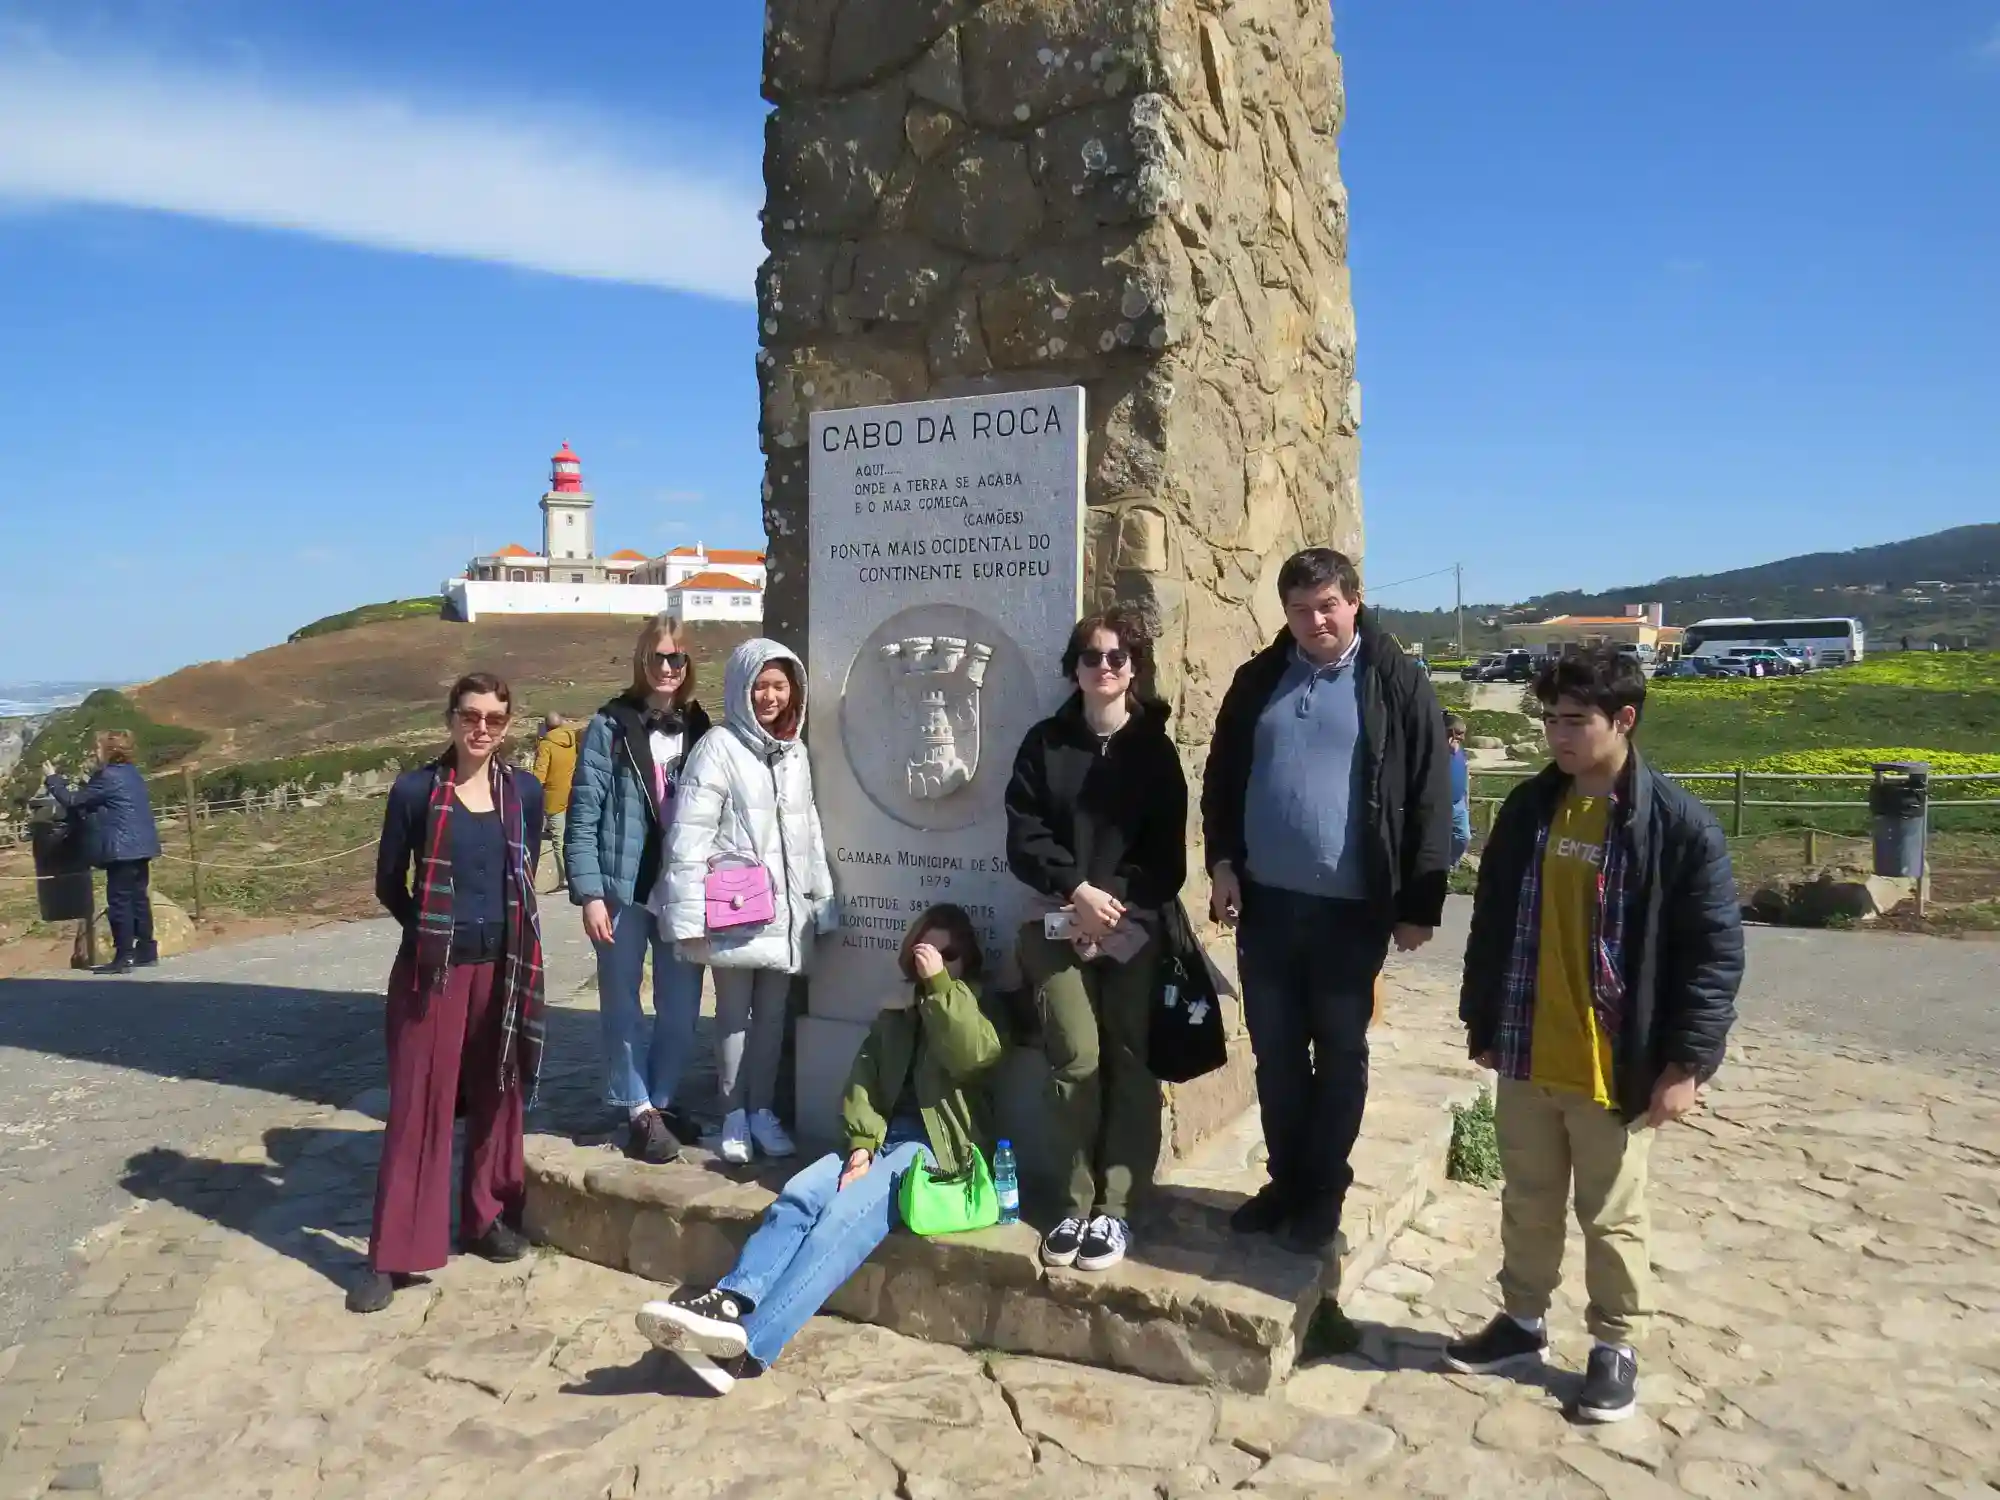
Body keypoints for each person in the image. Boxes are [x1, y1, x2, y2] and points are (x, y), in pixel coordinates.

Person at [1446, 647, 1743, 1423]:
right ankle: (1521, 1322)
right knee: (1529, 1199)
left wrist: (1687, 1065)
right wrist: (1481, 1019)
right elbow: (1491, 925)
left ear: (1625, 720)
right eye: (1549, 719)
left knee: (1612, 1215)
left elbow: (1714, 956)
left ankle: (1616, 1346)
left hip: (1616, 1066)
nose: (1558, 736)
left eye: (1575, 721)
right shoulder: (1531, 809)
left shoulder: (1676, 826)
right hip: (1527, 1049)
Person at [635, 905, 1002, 1393]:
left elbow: (972, 1056)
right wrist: (862, 1147)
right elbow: (865, 1081)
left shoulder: (977, 1006)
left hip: (932, 1148)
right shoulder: (896, 1011)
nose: (934, 962)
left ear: (966, 957)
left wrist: (940, 988)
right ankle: (730, 1301)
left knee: (840, 1222)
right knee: (800, 1195)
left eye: (948, 954)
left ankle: (744, 1350)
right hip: (880, 1140)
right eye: (925, 953)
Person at [1202, 548, 1453, 1255]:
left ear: (1354, 601)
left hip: (1351, 912)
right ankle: (1285, 1182)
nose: (1314, 621)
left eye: (1326, 606)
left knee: (1339, 1054)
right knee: (1277, 1055)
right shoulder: (1259, 681)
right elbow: (1221, 779)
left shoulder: (1395, 681)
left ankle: (1323, 1192)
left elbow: (1431, 791)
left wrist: (1420, 903)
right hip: (1267, 907)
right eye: (1299, 609)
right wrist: (1221, 862)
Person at [350, 672, 546, 1315]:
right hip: (432, 973)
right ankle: (393, 1253)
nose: (481, 728)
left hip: (506, 967)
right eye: (470, 716)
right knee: (418, 1107)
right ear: (451, 719)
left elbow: (525, 873)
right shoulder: (414, 792)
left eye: (494, 718)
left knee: (499, 1090)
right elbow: (389, 882)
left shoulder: (526, 792)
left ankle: (485, 1217)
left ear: (509, 723)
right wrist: (431, 934)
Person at [1005, 610, 1187, 1274]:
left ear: (1133, 667)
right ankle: (1075, 1204)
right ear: (1074, 667)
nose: (1102, 667)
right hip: (1056, 924)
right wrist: (1076, 892)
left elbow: (1167, 857)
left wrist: (1109, 905)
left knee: (1132, 1065)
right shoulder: (1044, 744)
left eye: (1115, 657)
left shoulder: (1153, 751)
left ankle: (1118, 1207)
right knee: (1077, 1059)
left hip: (1131, 929)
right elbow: (1024, 834)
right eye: (1090, 657)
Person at [659, 638, 835, 1166]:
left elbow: (809, 829)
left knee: (773, 1016)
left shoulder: (795, 753)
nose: (769, 696)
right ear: (741, 687)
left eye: (780, 685)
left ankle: (761, 1110)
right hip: (735, 905)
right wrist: (688, 916)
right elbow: (688, 836)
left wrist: (821, 898)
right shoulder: (717, 747)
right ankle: (733, 1111)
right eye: (760, 685)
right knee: (733, 1015)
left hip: (785, 912)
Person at [566, 615, 713, 1165]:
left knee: (682, 1006)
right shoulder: (610, 724)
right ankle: (636, 1107)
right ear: (642, 662)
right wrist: (589, 892)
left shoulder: (702, 727)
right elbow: (583, 813)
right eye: (659, 658)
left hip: (680, 890)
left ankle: (664, 1099)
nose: (669, 667)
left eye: (678, 658)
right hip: (621, 888)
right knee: (623, 1002)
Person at [43, 732, 163, 975]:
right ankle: (147, 951)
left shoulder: (108, 776)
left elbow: (74, 800)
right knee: (139, 899)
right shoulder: (132, 773)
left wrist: (52, 779)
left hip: (121, 849)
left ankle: (123, 957)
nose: (94, 753)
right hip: (142, 846)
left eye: (97, 749)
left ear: (109, 752)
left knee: (120, 903)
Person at [532, 711, 579, 887]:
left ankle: (565, 879)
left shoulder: (547, 745)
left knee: (559, 841)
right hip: (572, 794)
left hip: (554, 799)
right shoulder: (571, 739)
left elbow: (540, 776)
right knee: (573, 838)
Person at [1445, 713, 1473, 866]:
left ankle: (1450, 864)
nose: (1462, 738)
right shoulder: (1437, 750)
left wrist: (1466, 799)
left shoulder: (1460, 751)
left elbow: (1465, 772)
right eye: (1459, 733)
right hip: (1441, 803)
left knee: (1464, 837)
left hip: (1458, 804)